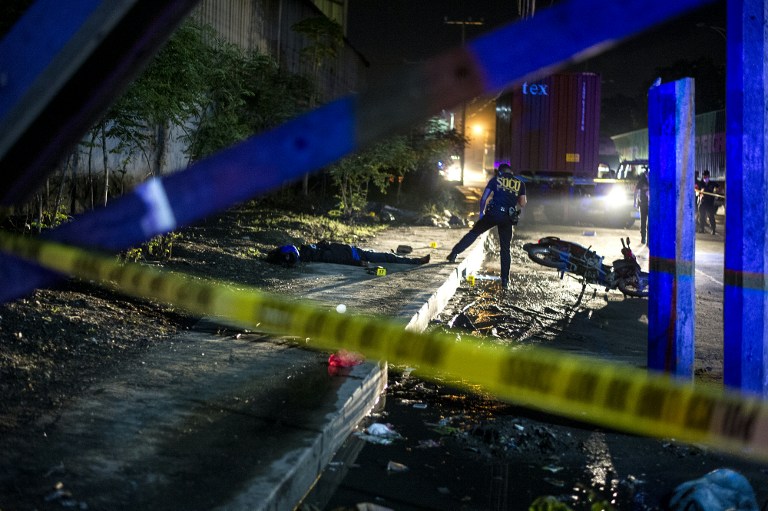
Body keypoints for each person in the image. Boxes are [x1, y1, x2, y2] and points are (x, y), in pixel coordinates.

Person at [445, 163, 527, 290]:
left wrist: (482, 213)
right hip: (508, 218)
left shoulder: (495, 180)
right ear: (511, 172)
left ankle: (454, 253)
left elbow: (484, 198)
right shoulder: (520, 184)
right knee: (505, 248)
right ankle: (505, 280)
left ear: (500, 172)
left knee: (474, 233)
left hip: (493, 214)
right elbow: (522, 203)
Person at [265, 241, 430, 267]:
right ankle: (416, 262)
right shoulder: (317, 254)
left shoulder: (310, 250)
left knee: (388, 256)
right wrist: (359, 263)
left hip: (354, 251)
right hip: (357, 255)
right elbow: (340, 260)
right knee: (388, 258)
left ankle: (415, 261)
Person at [697, 170, 719, 234]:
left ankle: (713, 229)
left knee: (711, 216)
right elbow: (696, 191)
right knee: (702, 216)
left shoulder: (713, 183)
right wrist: (700, 192)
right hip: (702, 202)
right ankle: (702, 229)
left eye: (706, 176)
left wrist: (716, 190)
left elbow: (718, 188)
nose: (705, 177)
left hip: (710, 202)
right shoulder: (700, 183)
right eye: (704, 176)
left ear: (709, 176)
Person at [634, 167, 650, 244]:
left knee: (649, 223)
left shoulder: (653, 179)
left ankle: (649, 239)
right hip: (643, 204)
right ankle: (643, 238)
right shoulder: (642, 181)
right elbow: (636, 191)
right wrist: (635, 202)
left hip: (651, 205)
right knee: (643, 222)